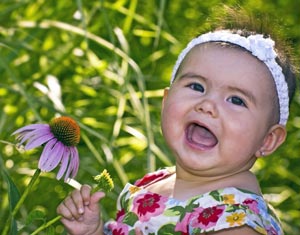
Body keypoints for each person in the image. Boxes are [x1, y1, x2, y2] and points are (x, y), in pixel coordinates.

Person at [56, 13, 297, 235]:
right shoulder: (155, 183)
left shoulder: (235, 222)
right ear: (166, 100)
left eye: (236, 100)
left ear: (268, 139)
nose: (207, 105)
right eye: (197, 86)